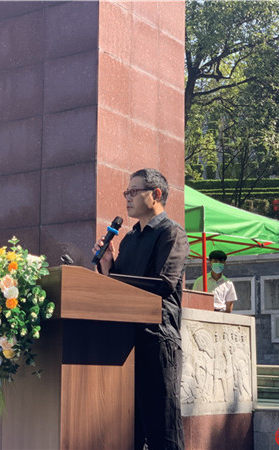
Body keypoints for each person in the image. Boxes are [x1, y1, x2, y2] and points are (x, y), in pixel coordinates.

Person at [92, 168, 189, 450]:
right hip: (126, 341)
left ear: (156, 194)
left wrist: (117, 279)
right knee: (129, 431)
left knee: (163, 430)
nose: (127, 197)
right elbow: (119, 289)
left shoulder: (172, 233)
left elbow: (164, 284)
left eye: (133, 191)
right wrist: (107, 266)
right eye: (126, 192)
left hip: (157, 339)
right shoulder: (129, 239)